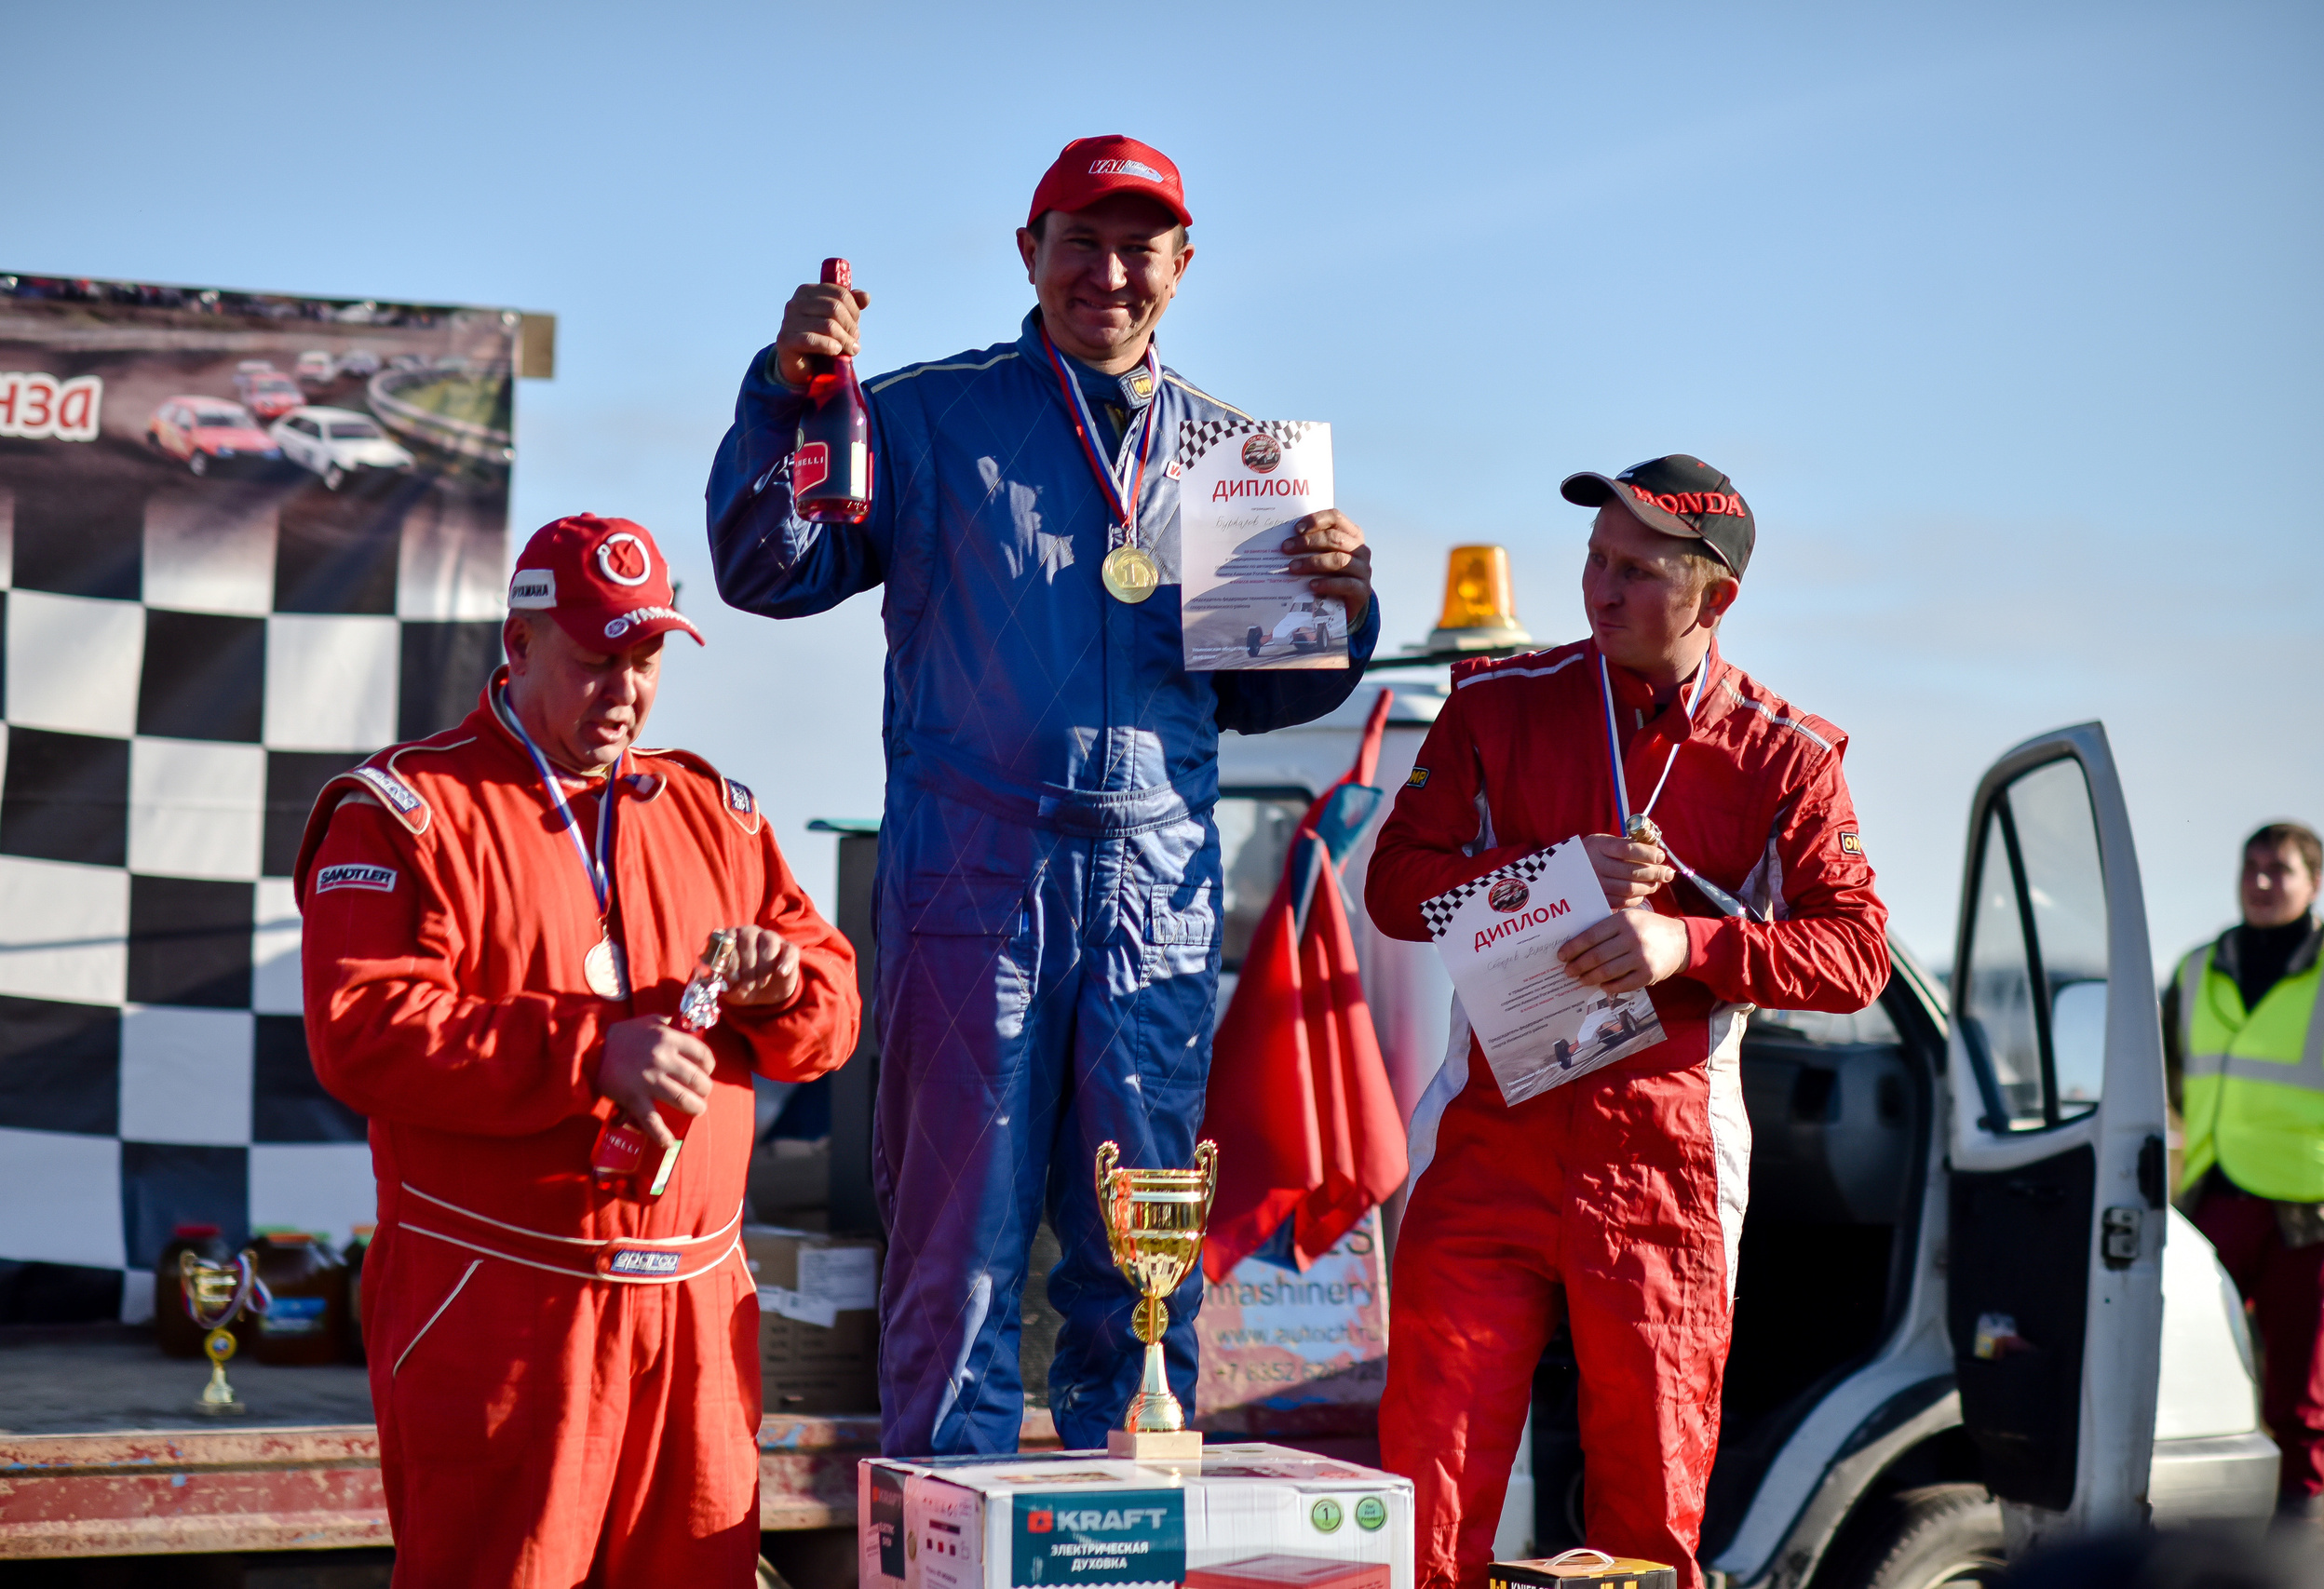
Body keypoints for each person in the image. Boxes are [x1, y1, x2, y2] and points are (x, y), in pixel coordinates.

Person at [705, 134, 1381, 1456]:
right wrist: (788, 397)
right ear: (1029, 254)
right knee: (961, 1228)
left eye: (1141, 248)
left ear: (1184, 270)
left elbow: (1262, 696)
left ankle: (1127, 1503)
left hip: (1159, 889)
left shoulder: (1240, 458)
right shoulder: (922, 413)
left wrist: (1341, 611)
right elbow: (766, 567)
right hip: (977, 876)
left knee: (1142, 1250)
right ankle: (946, 1519)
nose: (1109, 274)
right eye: (1082, 242)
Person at [296, 514, 859, 1587]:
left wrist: (784, 987)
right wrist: (588, 1051)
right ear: (518, 647)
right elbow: (361, 1032)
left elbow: (830, 1019)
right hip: (501, 1309)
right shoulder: (404, 812)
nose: (625, 693)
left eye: (645, 662)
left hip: (696, 1313)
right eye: (597, 661)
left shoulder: (716, 811)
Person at [1364, 457, 1891, 1587]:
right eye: (1595, 560)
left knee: (1647, 1532)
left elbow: (1855, 955)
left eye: (1639, 572)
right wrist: (1542, 876)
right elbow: (1395, 889)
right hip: (1488, 1144)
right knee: (1423, 1504)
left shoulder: (1786, 755)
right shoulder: (1494, 703)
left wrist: (1684, 948)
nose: (1601, 590)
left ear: (1716, 597)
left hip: (1666, 1171)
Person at [2169, 820, 2324, 1516]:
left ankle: (2298, 1552)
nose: (2262, 881)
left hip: (2308, 1217)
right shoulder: (2198, 966)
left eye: (2281, 869)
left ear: (2313, 883)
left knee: (2301, 1406)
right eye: (2252, 866)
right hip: (2214, 1202)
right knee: (2185, 1385)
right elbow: (2169, 1074)